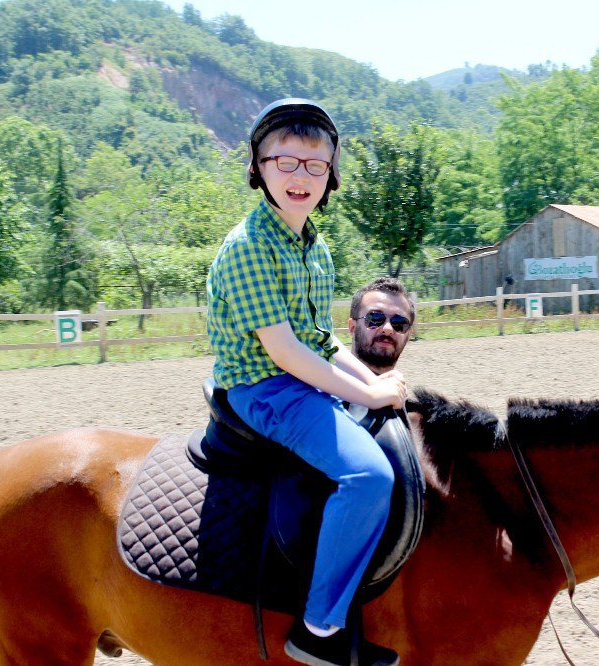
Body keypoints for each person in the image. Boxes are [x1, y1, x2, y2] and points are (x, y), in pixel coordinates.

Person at [207, 98, 405, 666]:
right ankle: (318, 629)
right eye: (286, 162)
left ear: (330, 175)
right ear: (260, 167)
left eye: (315, 166)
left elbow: (321, 340)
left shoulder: (314, 248)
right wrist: (365, 392)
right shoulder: (247, 246)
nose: (301, 177)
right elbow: (286, 351)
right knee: (368, 475)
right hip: (263, 389)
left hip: (297, 378)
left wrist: (370, 378)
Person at [347, 277, 414, 377]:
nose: (388, 329)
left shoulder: (401, 391)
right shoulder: (323, 389)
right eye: (375, 318)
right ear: (352, 327)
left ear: (408, 335)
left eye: (399, 323)